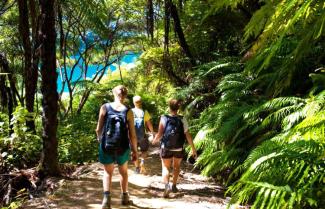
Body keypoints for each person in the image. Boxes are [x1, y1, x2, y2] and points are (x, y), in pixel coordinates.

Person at [96, 85, 138, 209]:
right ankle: (125, 197)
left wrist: (101, 141)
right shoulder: (128, 111)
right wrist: (135, 151)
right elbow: (133, 135)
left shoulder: (104, 107)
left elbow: (98, 129)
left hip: (106, 145)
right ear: (125, 96)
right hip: (123, 147)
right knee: (123, 172)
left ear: (113, 93)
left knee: (107, 173)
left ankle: (106, 201)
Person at [152, 99, 197, 198]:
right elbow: (187, 135)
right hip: (178, 148)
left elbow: (160, 133)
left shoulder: (164, 118)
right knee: (176, 166)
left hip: (166, 147)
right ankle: (174, 186)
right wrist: (193, 149)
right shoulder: (182, 119)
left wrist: (154, 141)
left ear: (169, 107)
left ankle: (166, 186)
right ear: (178, 108)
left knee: (165, 167)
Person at [132, 95, 154, 174]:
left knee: (134, 152)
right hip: (142, 136)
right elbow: (149, 124)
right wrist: (152, 133)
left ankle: (137, 168)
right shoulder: (145, 112)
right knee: (144, 151)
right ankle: (142, 162)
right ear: (141, 102)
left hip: (132, 136)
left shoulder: (130, 112)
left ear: (133, 102)